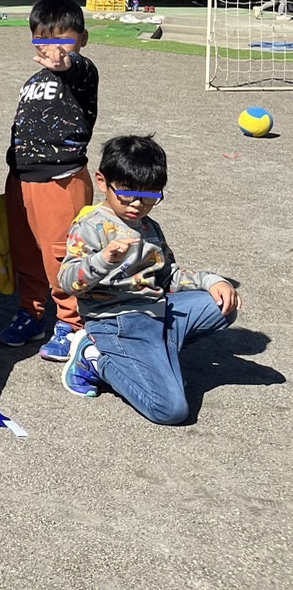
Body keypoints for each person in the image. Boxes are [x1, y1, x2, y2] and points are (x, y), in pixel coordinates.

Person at [58, 135, 241, 424]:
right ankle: (94, 359)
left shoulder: (149, 227)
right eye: (128, 194)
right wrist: (102, 260)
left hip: (158, 311)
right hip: (116, 321)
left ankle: (157, 353)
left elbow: (169, 275)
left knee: (223, 305)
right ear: (103, 181)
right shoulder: (90, 226)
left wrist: (212, 281)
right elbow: (68, 282)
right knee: (170, 410)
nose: (137, 204)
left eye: (150, 196)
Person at [0, 0, 99, 360]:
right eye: (42, 40)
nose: (52, 49)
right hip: (22, 178)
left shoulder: (82, 75)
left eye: (63, 40)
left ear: (82, 39)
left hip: (62, 179)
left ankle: (72, 323)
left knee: (62, 255)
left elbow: (78, 69)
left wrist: (67, 63)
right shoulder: (33, 80)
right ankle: (31, 312)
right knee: (25, 252)